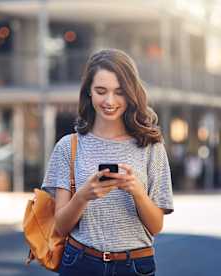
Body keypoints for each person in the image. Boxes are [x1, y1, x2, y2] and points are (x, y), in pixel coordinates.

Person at [42, 49, 174, 276]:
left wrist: (137, 192)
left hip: (134, 266)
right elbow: (60, 226)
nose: (110, 101)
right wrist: (83, 195)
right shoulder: (68, 146)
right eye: (101, 91)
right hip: (80, 263)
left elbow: (156, 227)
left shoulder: (151, 146)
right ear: (89, 93)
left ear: (131, 94)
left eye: (119, 92)